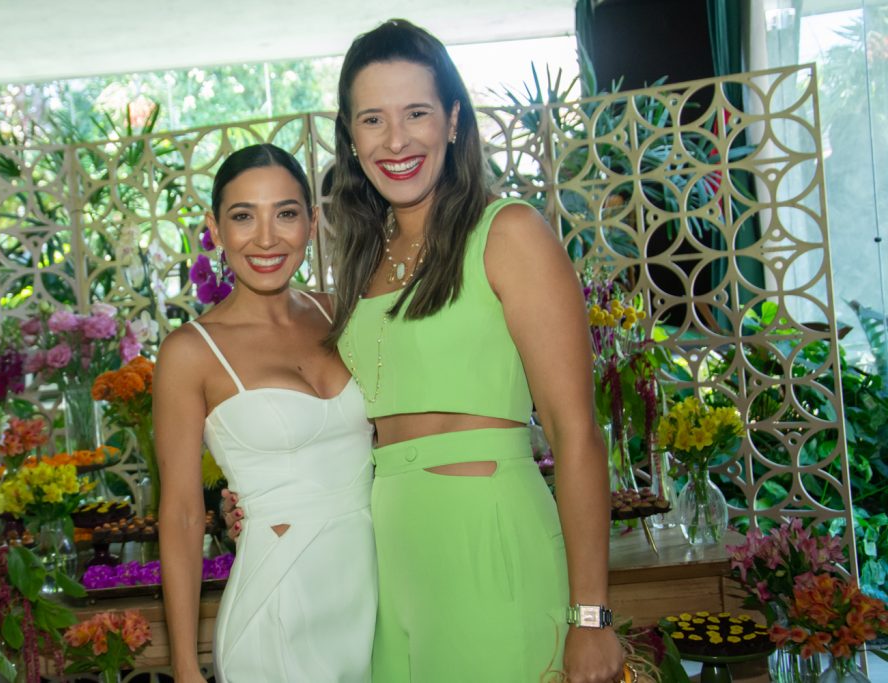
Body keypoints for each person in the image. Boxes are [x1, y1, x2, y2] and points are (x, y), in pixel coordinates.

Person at [326, 19, 624, 683]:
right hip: (387, 560)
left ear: (454, 120)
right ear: (350, 135)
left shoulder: (508, 231)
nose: (395, 139)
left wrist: (591, 615)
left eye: (417, 113)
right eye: (372, 118)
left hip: (489, 546)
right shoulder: (360, 260)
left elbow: (577, 433)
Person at [155, 143, 377, 683]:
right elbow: (183, 515)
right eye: (242, 217)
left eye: (285, 213)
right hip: (278, 600)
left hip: (373, 590)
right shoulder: (190, 352)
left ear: (312, 220)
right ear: (214, 228)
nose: (266, 238)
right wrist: (185, 669)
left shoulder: (344, 313)